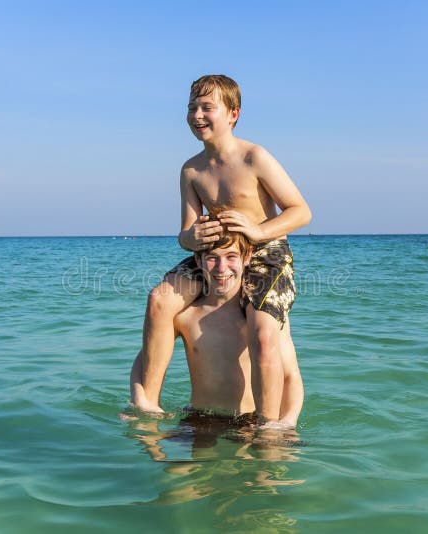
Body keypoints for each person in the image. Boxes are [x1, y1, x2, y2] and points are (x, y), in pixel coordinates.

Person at [134, 74, 311, 425]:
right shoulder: (191, 170)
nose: (197, 115)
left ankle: (267, 424)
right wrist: (191, 238)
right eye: (191, 108)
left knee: (262, 330)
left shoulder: (253, 157)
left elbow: (301, 211)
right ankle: (148, 406)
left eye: (206, 107)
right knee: (159, 300)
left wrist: (258, 230)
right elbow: (185, 232)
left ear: (233, 114)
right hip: (214, 255)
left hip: (265, 253)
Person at [129, 222, 304, 427]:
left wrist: (288, 421)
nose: (222, 268)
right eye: (212, 258)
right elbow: (145, 357)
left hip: (246, 422)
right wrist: (139, 398)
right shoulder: (184, 316)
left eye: (231, 257)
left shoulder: (262, 318)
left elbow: (291, 374)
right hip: (197, 419)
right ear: (198, 260)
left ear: (246, 257)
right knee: (158, 455)